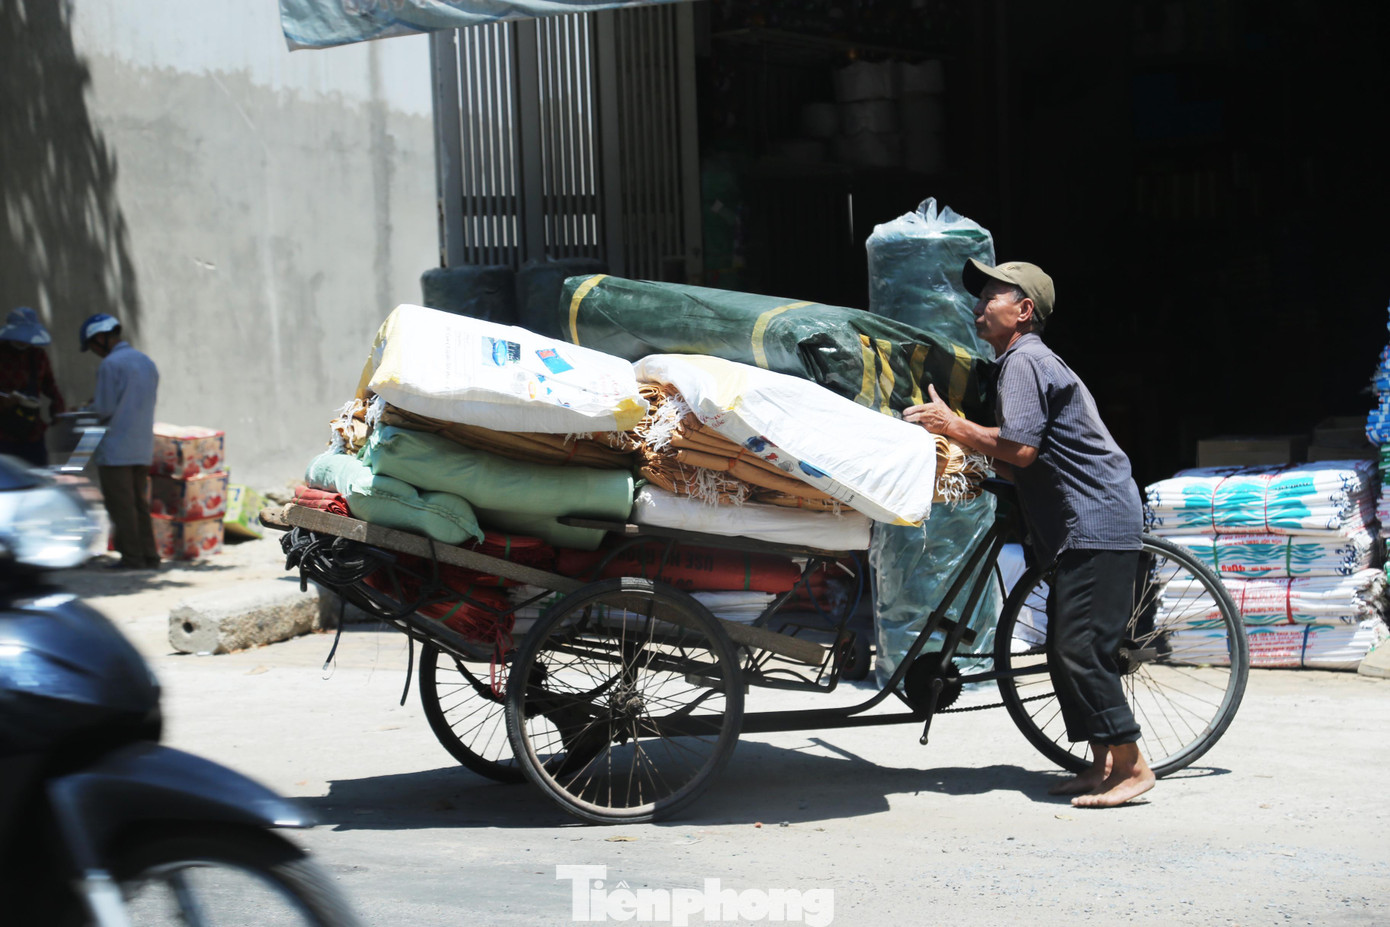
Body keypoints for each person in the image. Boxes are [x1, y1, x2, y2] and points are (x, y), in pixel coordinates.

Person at [904, 259, 1154, 809]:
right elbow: (1022, 462)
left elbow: (1018, 448)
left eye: (993, 293)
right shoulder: (1016, 363)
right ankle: (1103, 764)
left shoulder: (1025, 361)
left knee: (1079, 646)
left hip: (1096, 520)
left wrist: (953, 426)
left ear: (1023, 311)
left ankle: (1135, 768)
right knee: (1066, 649)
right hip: (1073, 524)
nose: (980, 303)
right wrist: (967, 459)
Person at [81, 313, 161, 570]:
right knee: (139, 505)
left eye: (92, 345)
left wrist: (85, 408)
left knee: (122, 507)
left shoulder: (110, 365)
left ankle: (132, 558)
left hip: (116, 447)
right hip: (141, 445)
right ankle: (150, 555)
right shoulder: (145, 362)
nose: (94, 352)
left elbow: (104, 408)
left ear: (100, 338)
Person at [0, 307, 67, 467]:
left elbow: (50, 386)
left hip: (32, 432)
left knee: (38, 476)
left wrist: (58, 408)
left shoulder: (38, 356)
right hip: (3, 435)